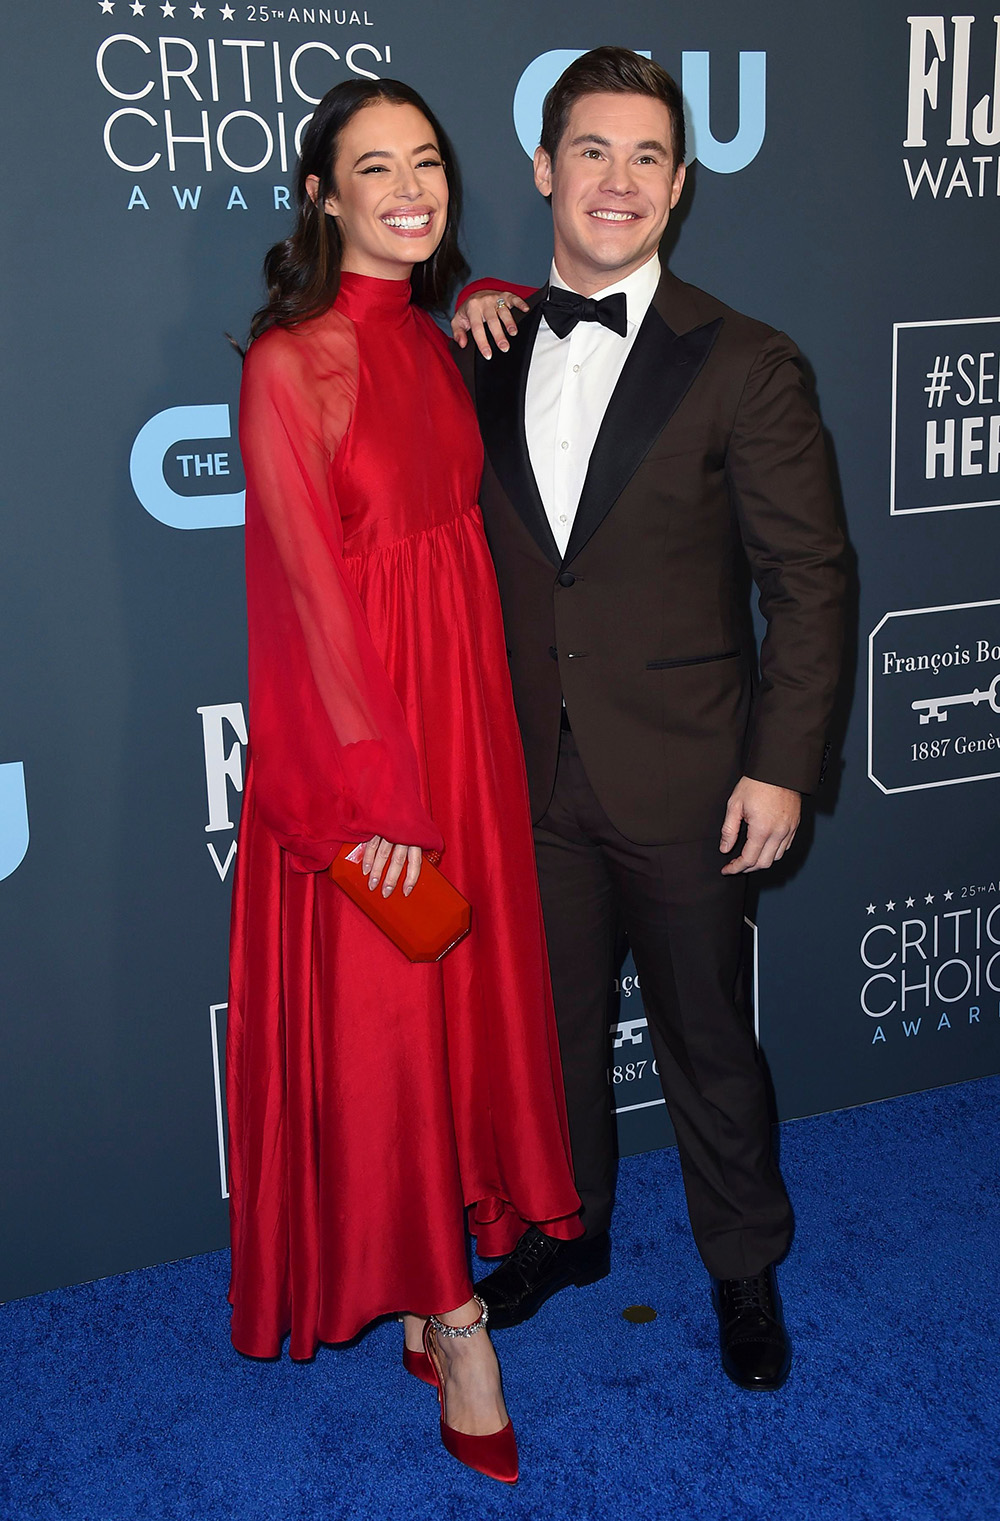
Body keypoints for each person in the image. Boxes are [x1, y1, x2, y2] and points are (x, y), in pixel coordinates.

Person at [450, 46, 846, 1391]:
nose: (617, 180)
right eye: (593, 151)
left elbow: (810, 580)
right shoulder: (484, 352)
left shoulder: (746, 361)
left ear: (678, 189)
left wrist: (782, 768)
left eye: (647, 158)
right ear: (543, 170)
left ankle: (743, 1267)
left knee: (709, 1044)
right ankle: (572, 1232)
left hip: (688, 780)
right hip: (529, 779)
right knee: (550, 1035)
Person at [225, 76, 583, 1483]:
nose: (409, 186)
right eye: (375, 168)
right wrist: (376, 806)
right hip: (366, 754)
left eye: (426, 161)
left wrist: (485, 295)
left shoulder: (440, 337)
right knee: (389, 1026)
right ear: (323, 196)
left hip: (465, 725)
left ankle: (443, 1291)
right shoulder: (286, 364)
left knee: (456, 1021)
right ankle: (455, 1315)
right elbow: (305, 607)